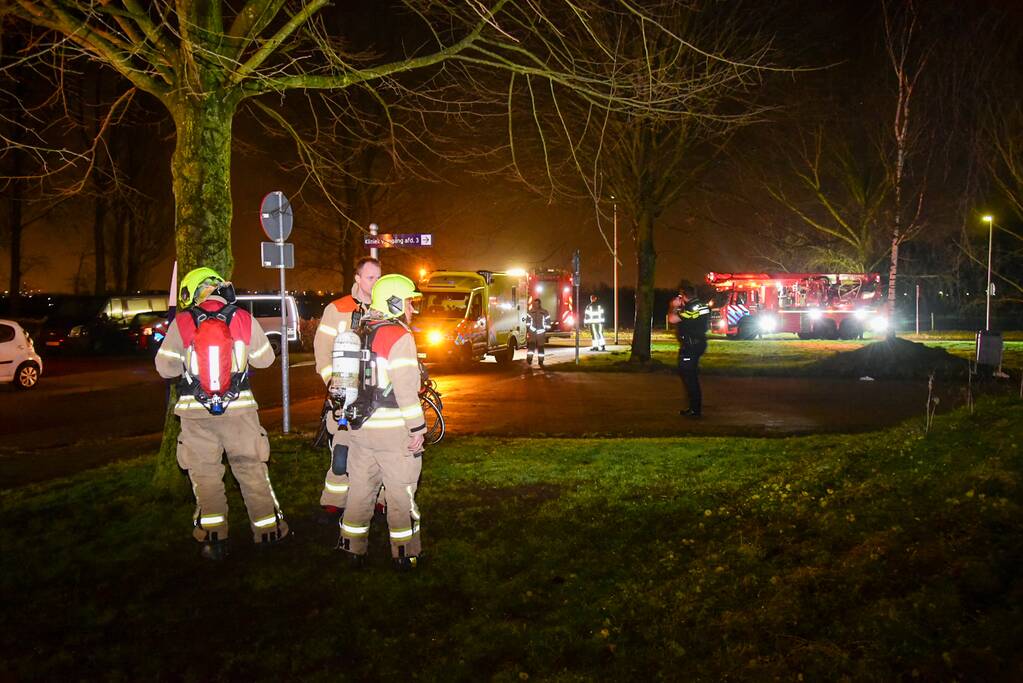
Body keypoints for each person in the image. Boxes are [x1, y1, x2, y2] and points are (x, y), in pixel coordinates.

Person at [155, 267, 287, 560]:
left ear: (192, 292)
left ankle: (214, 539)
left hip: (195, 415)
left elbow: (165, 368)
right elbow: (265, 360)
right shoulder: (242, 317)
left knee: (206, 476)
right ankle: (267, 532)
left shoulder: (182, 322)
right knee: (252, 472)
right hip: (240, 413)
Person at [337, 274, 427, 571]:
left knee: (361, 488)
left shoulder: (360, 330)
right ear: (395, 303)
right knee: (401, 491)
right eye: (410, 303)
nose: (413, 310)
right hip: (393, 432)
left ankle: (352, 548)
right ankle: (404, 552)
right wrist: (417, 428)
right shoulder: (399, 336)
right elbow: (404, 389)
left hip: (361, 428)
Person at [313, 257, 381, 522]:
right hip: (344, 395)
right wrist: (334, 385)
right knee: (341, 453)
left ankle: (381, 501)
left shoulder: (384, 307)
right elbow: (322, 350)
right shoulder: (337, 309)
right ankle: (333, 503)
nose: (375, 283)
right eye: (370, 278)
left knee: (380, 452)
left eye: (378, 277)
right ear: (357, 278)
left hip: (375, 397)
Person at [668, 282, 710, 418]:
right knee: (689, 376)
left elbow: (672, 319)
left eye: (680, 296)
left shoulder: (691, 308)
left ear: (684, 296)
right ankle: (693, 407)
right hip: (698, 344)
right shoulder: (702, 306)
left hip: (691, 346)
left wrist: (673, 307)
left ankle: (695, 410)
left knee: (689, 377)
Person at [523, 298, 551, 367]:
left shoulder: (544, 312)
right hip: (532, 333)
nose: (535, 305)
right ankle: (529, 359)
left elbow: (548, 322)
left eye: (536, 304)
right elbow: (528, 322)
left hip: (541, 333)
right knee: (531, 348)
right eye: (534, 304)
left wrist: (546, 329)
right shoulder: (530, 312)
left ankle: (541, 361)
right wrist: (529, 329)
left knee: (541, 348)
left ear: (539, 304)